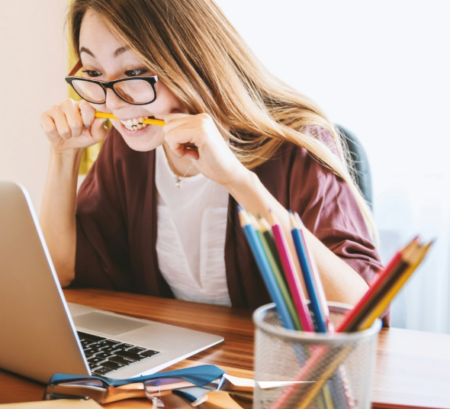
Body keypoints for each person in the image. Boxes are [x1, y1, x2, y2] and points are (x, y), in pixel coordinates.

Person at [39, 0, 382, 311]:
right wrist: (63, 155)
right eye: (94, 73)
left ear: (191, 59)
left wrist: (237, 180)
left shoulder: (296, 144)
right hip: (175, 367)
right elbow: (62, 270)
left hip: (272, 371)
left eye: (134, 72)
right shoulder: (130, 148)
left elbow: (358, 310)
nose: (112, 103)